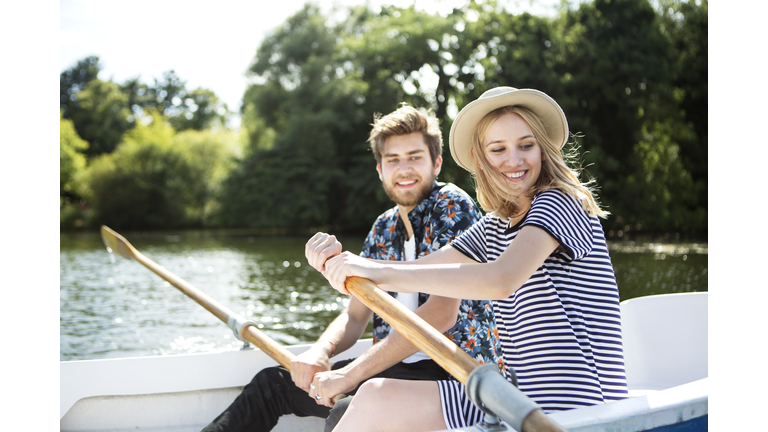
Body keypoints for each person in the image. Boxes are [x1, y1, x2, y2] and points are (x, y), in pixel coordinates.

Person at [318, 86, 629, 432]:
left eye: (526, 145)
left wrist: (374, 271)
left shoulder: (560, 201)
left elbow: (501, 279)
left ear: (542, 148)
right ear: (481, 158)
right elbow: (429, 267)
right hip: (513, 397)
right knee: (375, 397)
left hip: (576, 406)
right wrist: (351, 265)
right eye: (498, 149)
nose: (514, 160)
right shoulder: (496, 224)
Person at [202, 104, 503, 432]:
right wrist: (320, 352)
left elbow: (441, 313)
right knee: (273, 384)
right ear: (379, 169)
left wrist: (352, 374)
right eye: (393, 160)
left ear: (436, 163)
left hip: (449, 375)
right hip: (392, 366)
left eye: (415, 157)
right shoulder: (382, 228)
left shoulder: (452, 206)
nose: (404, 169)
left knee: (346, 409)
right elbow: (355, 316)